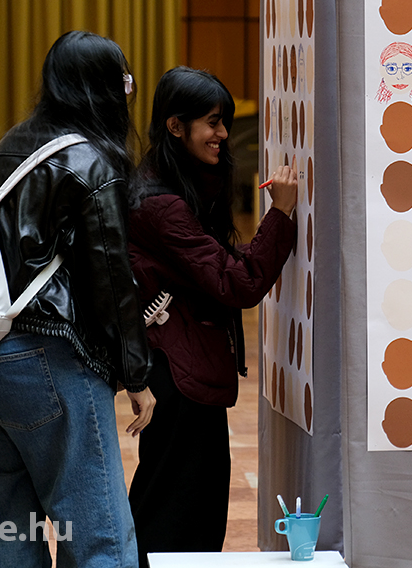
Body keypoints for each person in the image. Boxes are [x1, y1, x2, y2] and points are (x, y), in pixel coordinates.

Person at [0, 30, 156, 566]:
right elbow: (112, 281)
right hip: (43, 360)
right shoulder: (90, 162)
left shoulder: (9, 146)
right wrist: (136, 375)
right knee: (100, 539)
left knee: (4, 538)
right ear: (104, 89)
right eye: (125, 83)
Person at [127, 67, 297, 563]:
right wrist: (281, 214)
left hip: (184, 366)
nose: (223, 134)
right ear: (175, 126)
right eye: (213, 122)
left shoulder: (171, 183)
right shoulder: (162, 205)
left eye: (223, 122)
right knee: (177, 514)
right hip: (179, 376)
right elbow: (237, 283)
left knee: (186, 507)